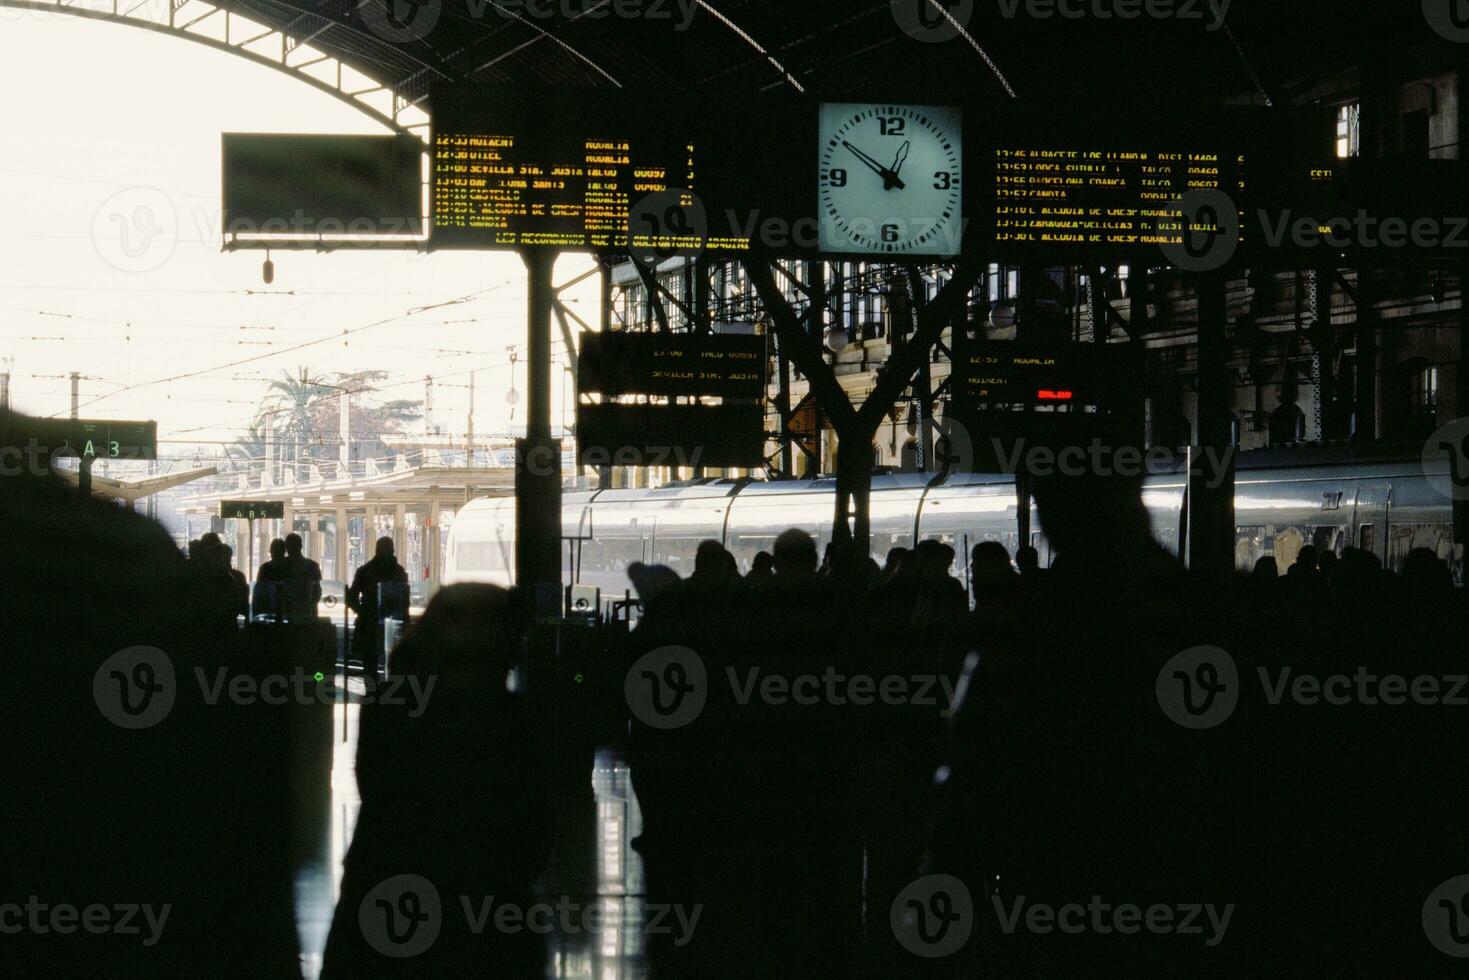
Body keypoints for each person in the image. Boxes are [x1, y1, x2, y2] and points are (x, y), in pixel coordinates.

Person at [346, 536, 409, 682]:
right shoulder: (399, 572)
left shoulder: (365, 571)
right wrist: (404, 622)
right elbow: (404, 600)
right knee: (393, 661)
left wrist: (362, 611)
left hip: (369, 623)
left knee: (370, 663)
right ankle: (390, 692)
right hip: (393, 622)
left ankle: (372, 693)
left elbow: (351, 596)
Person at [280, 532, 323, 622]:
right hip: (308, 612)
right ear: (301, 546)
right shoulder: (313, 566)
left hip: (287, 612)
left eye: (291, 547)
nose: (290, 550)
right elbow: (317, 590)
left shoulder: (283, 565)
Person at [252, 538, 287, 618]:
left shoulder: (264, 568)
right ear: (284, 552)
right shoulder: (290, 567)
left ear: (270, 552)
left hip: (266, 610)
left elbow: (258, 592)